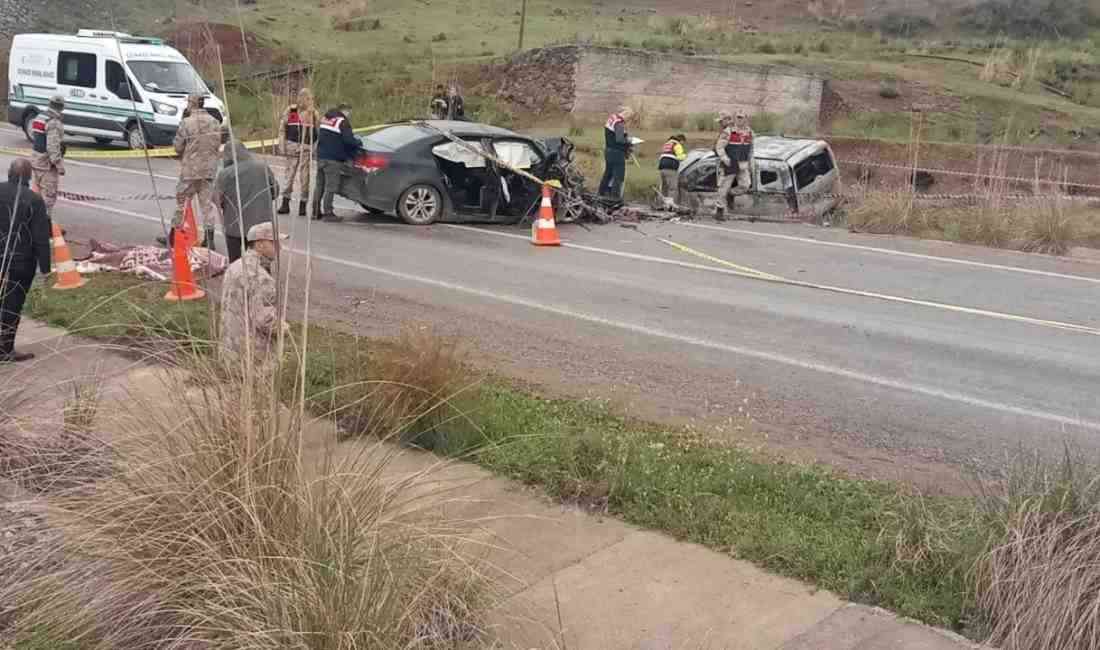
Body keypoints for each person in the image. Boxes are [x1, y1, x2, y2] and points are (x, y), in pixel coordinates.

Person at [0, 159, 52, 363]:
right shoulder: (34, 200)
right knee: (12, 304)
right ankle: (5, 349)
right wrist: (46, 268)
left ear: (8, 172)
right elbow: (40, 238)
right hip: (21, 260)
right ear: (29, 177)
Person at [219, 221, 286, 369]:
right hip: (253, 356)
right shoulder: (261, 277)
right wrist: (285, 330)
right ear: (260, 244)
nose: (280, 248)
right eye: (274, 243)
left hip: (230, 347)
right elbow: (265, 320)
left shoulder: (235, 266)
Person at [170, 93, 222, 248]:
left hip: (190, 171)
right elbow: (217, 144)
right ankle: (210, 238)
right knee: (206, 205)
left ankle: (174, 235)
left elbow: (178, 147)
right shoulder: (214, 122)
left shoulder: (186, 123)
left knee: (182, 202)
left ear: (191, 104)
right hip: (209, 169)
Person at [215, 139, 279, 264]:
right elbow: (275, 191)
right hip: (261, 226)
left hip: (235, 227)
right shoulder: (263, 167)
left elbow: (217, 199)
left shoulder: (225, 174)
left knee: (236, 263)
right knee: (262, 261)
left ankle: (239, 281)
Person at [314, 102, 363, 222]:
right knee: (331, 187)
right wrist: (358, 143)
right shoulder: (342, 122)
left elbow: (317, 134)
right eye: (349, 112)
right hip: (333, 159)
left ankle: (315, 212)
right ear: (345, 111)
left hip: (320, 156)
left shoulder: (325, 119)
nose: (349, 115)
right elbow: (349, 141)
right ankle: (328, 213)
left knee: (319, 185)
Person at [276, 87, 319, 218]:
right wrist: (281, 144)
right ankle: (285, 203)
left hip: (305, 149)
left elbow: (318, 133)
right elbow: (282, 128)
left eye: (305, 97)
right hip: (291, 147)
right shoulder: (290, 110)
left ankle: (303, 205)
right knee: (289, 176)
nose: (302, 100)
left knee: (305, 178)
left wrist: (313, 148)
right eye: (301, 97)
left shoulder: (314, 114)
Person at [714, 109, 754, 222]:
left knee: (746, 185)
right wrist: (725, 159)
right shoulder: (728, 131)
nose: (739, 119)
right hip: (730, 164)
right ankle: (719, 211)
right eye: (738, 117)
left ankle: (730, 194)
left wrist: (751, 163)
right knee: (723, 187)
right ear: (735, 119)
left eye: (742, 117)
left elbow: (751, 149)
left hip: (743, 164)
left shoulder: (750, 132)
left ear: (746, 119)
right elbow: (719, 147)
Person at [30, 95, 66, 218]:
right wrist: (59, 166)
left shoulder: (39, 117)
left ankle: (32, 220)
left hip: (36, 161)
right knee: (49, 197)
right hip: (47, 165)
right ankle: (44, 224)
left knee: (37, 194)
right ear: (62, 107)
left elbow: (37, 140)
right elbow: (53, 148)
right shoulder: (54, 122)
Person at [598, 106, 634, 200]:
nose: (627, 120)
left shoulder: (612, 118)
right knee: (618, 176)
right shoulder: (619, 123)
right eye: (629, 118)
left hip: (608, 150)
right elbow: (620, 139)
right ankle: (615, 198)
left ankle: (601, 194)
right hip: (617, 153)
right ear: (626, 114)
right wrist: (629, 141)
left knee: (607, 174)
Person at [658, 134, 687, 205]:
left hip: (662, 167)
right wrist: (686, 155)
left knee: (664, 188)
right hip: (670, 167)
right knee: (672, 188)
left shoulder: (666, 144)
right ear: (681, 140)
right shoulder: (677, 145)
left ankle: (661, 204)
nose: (683, 144)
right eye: (683, 142)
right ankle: (671, 205)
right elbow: (680, 157)